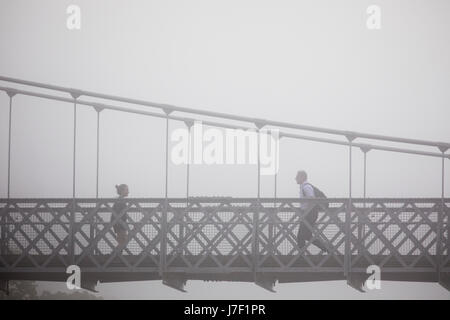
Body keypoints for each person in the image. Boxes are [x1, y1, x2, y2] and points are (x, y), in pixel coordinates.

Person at [295, 170, 329, 253]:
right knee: (307, 235)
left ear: (302, 177)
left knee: (301, 236)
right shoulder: (304, 186)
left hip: (309, 214)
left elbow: (312, 199)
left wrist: (306, 212)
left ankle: (302, 257)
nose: (295, 178)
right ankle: (325, 248)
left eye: (297, 177)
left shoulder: (306, 187)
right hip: (310, 214)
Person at [112, 184, 129, 249]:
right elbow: (117, 212)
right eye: (127, 190)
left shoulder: (120, 200)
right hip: (119, 223)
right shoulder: (120, 200)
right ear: (122, 191)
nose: (128, 191)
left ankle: (116, 255)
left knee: (122, 241)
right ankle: (115, 255)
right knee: (123, 241)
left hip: (120, 223)